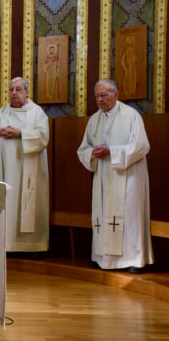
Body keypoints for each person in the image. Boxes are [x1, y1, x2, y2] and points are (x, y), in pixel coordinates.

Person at [77, 79, 153, 273]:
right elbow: (83, 148)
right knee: (103, 215)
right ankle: (103, 258)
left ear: (116, 94)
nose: (100, 99)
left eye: (104, 95)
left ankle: (133, 260)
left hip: (128, 175)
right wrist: (91, 154)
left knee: (129, 217)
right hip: (103, 175)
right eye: (97, 96)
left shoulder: (131, 116)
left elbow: (141, 146)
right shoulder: (94, 119)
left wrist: (112, 151)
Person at [0, 77, 50, 254]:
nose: (14, 93)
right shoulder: (2, 113)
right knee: (7, 201)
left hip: (28, 169)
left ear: (27, 92)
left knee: (26, 202)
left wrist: (20, 133)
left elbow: (43, 136)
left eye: (18, 89)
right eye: (11, 89)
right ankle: (4, 245)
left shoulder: (37, 112)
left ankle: (32, 246)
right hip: (5, 169)